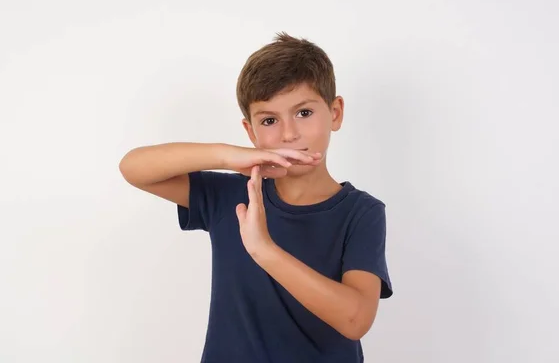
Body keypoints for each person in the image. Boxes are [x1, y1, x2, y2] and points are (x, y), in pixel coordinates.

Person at [119, 32, 393, 362]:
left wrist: (265, 251)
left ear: (335, 113)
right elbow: (133, 167)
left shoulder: (361, 212)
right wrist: (227, 156)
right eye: (269, 120)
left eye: (304, 113)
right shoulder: (231, 193)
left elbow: (355, 319)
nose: (289, 134)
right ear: (250, 132)